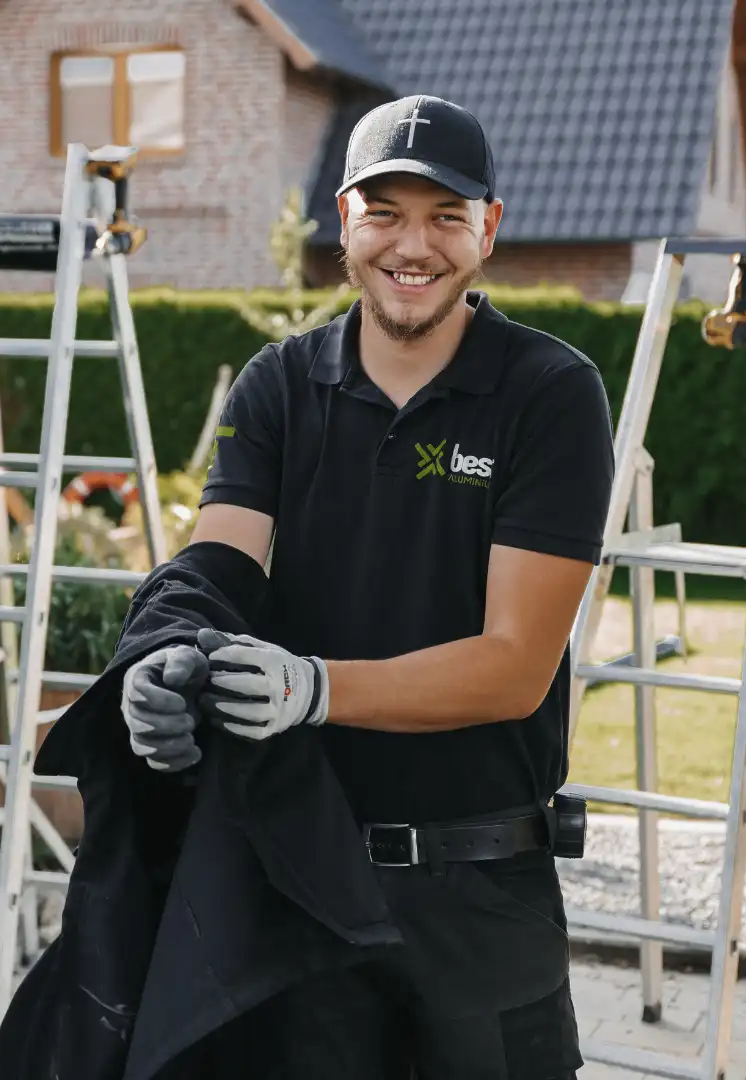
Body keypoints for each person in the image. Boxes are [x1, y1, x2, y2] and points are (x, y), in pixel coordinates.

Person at [121, 93, 615, 1080]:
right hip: (308, 889)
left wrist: (315, 688)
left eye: (444, 214)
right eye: (384, 211)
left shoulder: (550, 394)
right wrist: (158, 654)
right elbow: (218, 563)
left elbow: (514, 668)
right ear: (342, 220)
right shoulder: (278, 385)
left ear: (490, 228)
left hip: (481, 904)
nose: (413, 245)